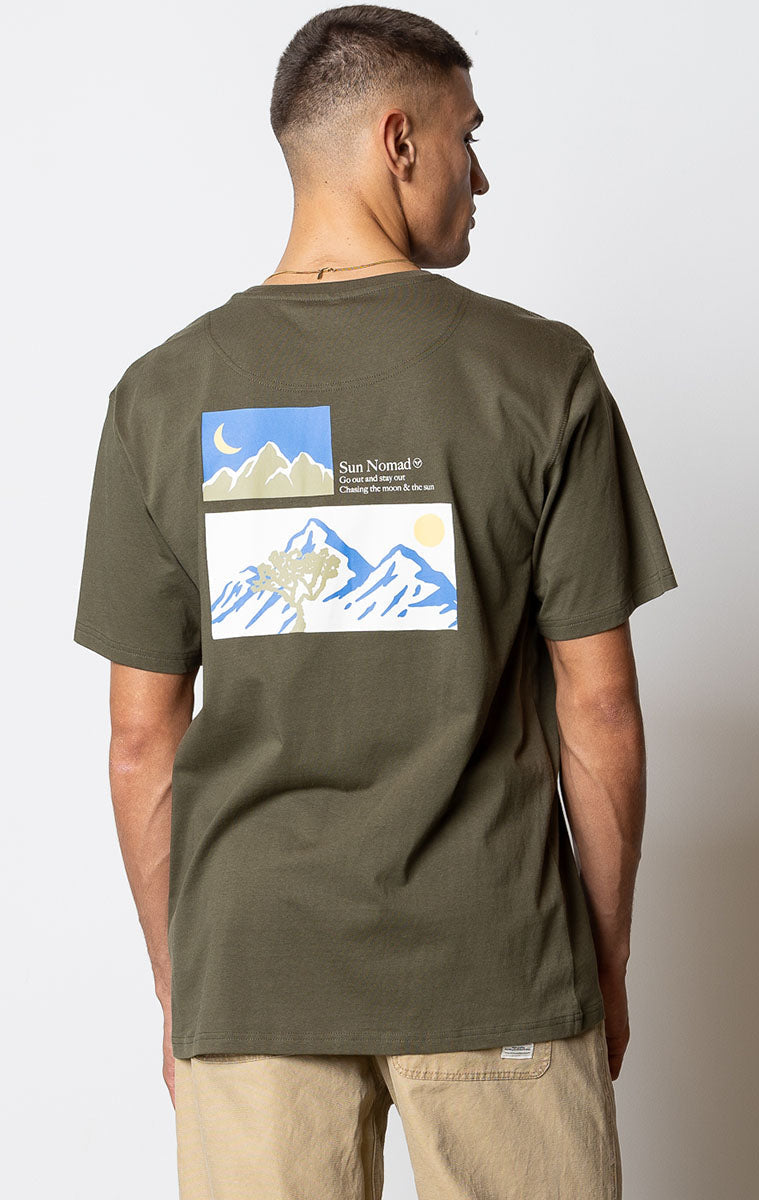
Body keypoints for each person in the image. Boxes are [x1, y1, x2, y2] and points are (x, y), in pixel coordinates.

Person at [73, 6, 678, 1197]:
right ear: (398, 140)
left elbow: (142, 739)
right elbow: (597, 710)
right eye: (466, 135)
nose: (479, 174)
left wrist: (183, 984)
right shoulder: (538, 374)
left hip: (253, 973)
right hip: (498, 960)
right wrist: (599, 962)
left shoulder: (159, 396)